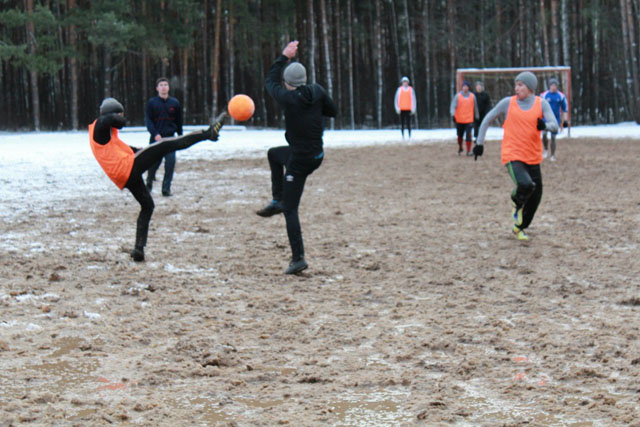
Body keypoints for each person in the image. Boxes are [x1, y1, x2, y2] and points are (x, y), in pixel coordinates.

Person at [89, 97, 222, 262]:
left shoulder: (107, 135)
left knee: (148, 205)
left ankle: (139, 249)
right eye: (120, 113)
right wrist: (119, 118)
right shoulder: (99, 128)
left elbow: (120, 148)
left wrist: (139, 150)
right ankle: (208, 133)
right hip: (127, 168)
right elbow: (107, 119)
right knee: (167, 144)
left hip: (125, 176)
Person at [256, 40, 337, 275]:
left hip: (301, 160)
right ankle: (277, 198)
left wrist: (283, 56)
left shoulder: (288, 98)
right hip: (316, 153)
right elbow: (333, 111)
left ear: (288, 84)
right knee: (274, 154)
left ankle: (298, 258)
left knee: (291, 210)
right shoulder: (318, 91)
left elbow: (270, 81)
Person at [473, 71, 558, 241]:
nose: (516, 88)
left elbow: (554, 125)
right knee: (526, 184)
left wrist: (545, 126)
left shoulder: (541, 104)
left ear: (531, 88)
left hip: (533, 156)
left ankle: (519, 227)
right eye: (516, 85)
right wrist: (479, 143)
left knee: (536, 197)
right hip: (513, 154)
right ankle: (515, 200)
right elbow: (487, 119)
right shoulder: (508, 103)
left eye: (521, 85)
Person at [145, 77, 183, 196]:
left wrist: (180, 136)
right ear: (157, 88)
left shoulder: (175, 103)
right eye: (161, 85)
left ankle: (166, 189)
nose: (163, 87)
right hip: (156, 139)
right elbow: (148, 121)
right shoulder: (152, 103)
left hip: (170, 138)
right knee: (153, 163)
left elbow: (179, 121)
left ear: (169, 87)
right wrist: (155, 134)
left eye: (165, 85)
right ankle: (149, 183)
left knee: (170, 163)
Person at [540, 78, 568, 162]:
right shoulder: (544, 95)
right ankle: (545, 149)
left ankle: (552, 155)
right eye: (552, 85)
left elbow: (565, 109)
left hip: (555, 119)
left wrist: (565, 121)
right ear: (550, 86)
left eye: (555, 85)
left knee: (553, 137)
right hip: (545, 119)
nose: (553, 87)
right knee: (544, 134)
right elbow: (538, 107)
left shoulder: (561, 96)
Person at [450, 81, 479, 156]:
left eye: (466, 86)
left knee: (468, 135)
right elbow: (453, 106)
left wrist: (477, 116)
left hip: (469, 120)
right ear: (462, 87)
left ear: (468, 88)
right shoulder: (458, 96)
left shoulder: (472, 96)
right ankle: (460, 147)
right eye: (464, 86)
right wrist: (453, 115)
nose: (465, 88)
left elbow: (475, 107)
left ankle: (468, 151)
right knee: (460, 135)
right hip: (459, 120)